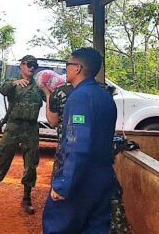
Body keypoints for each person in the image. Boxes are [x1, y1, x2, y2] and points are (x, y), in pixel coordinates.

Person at [42, 48, 117, 234]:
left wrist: (64, 184)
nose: (65, 69)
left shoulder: (80, 97)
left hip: (80, 180)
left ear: (78, 68)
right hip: (102, 178)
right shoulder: (105, 97)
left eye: (68, 65)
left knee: (57, 227)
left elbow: (77, 145)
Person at [0, 55, 45, 214]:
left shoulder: (38, 86)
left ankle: (26, 198)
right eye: (29, 64)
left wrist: (47, 89)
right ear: (21, 65)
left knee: (31, 163)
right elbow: (3, 90)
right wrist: (14, 83)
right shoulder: (13, 83)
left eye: (34, 66)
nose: (32, 67)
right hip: (14, 125)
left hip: (30, 128)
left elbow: (50, 99)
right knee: (2, 157)